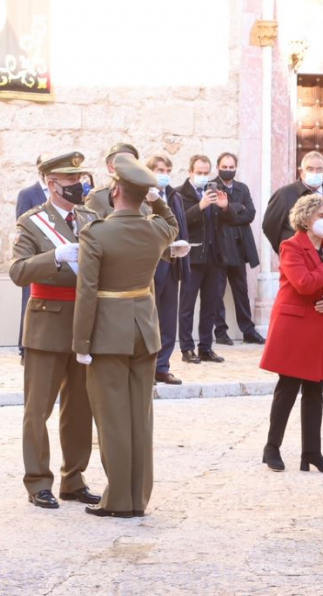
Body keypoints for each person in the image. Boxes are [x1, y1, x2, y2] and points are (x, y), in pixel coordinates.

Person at [74, 153, 178, 518]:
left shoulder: (96, 233)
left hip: (107, 333)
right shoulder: (155, 230)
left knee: (113, 418)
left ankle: (118, 499)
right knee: (141, 417)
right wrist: (156, 198)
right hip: (144, 329)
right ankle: (138, 498)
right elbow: (172, 224)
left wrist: (81, 344)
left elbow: (87, 291)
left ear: (115, 190)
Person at [9, 152, 99, 510]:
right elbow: (17, 272)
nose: (78, 186)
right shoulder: (32, 223)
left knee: (80, 409)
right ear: (51, 183)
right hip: (47, 324)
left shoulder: (91, 217)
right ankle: (37, 481)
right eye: (70, 181)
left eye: (80, 179)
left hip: (84, 324)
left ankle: (73, 479)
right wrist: (55, 257)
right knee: (38, 409)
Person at [260, 193, 323, 474]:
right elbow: (304, 284)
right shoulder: (290, 246)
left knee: (315, 391)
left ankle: (312, 453)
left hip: (318, 324)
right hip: (294, 324)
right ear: (306, 218)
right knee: (288, 388)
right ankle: (272, 447)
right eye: (320, 215)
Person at [177, 155, 233, 364]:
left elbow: (233, 220)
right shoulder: (180, 194)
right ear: (190, 172)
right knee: (187, 305)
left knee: (211, 305)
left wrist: (225, 207)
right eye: (199, 173)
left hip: (214, 256)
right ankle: (186, 348)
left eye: (205, 173)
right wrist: (200, 206)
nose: (202, 176)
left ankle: (206, 347)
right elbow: (179, 220)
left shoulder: (217, 191)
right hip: (192, 257)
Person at [146, 155, 191, 385]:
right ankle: (147, 367)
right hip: (151, 266)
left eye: (167, 169)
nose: (164, 173)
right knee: (149, 318)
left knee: (167, 318)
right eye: (159, 169)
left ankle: (162, 367)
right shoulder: (142, 197)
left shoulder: (175, 196)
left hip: (172, 263)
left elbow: (180, 225)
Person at [212, 152, 265, 345]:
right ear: (218, 167)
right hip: (218, 248)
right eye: (224, 167)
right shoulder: (212, 187)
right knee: (216, 292)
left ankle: (248, 331)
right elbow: (214, 213)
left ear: (236, 167)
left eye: (231, 167)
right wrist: (237, 208)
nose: (228, 170)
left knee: (241, 290)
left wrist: (228, 209)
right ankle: (220, 332)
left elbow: (250, 214)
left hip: (238, 247)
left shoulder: (242, 188)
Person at [262, 151, 323, 255]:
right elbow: (269, 226)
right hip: (297, 255)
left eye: (319, 170)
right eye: (310, 169)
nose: (315, 173)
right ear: (301, 171)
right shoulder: (284, 194)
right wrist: (285, 249)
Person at [15, 154, 49, 361]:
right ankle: (25, 347)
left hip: (61, 260)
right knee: (29, 301)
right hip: (36, 258)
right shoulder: (28, 194)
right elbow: (21, 226)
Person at [84, 142, 139, 218]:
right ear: (111, 168)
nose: (130, 166)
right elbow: (91, 227)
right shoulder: (98, 197)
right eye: (124, 162)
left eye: (133, 163)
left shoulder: (143, 195)